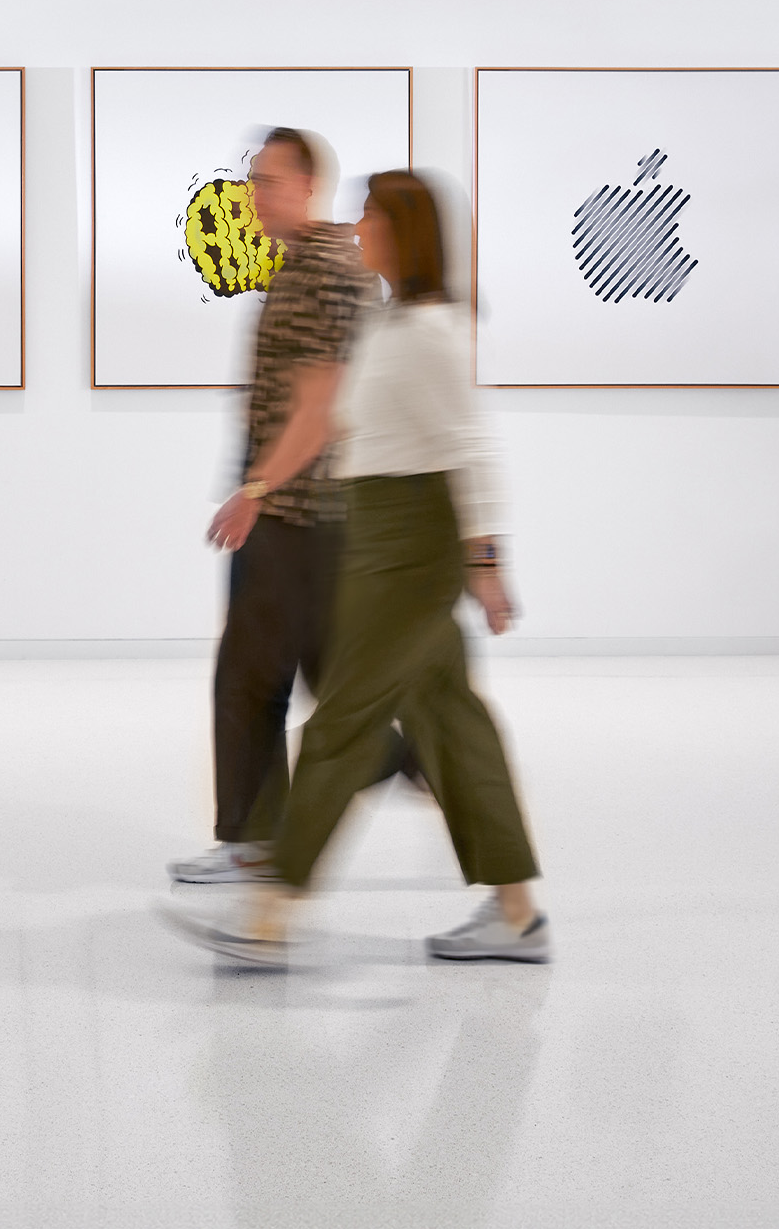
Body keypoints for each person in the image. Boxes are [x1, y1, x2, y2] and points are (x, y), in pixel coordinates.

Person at [168, 170, 547, 967]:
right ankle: (515, 912)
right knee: (453, 723)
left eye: (370, 213)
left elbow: (470, 448)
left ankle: (272, 916)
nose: (357, 222)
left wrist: (483, 561)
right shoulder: (389, 323)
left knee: (341, 724)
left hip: (412, 546)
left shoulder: (431, 332)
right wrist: (263, 483)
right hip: (379, 533)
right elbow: (338, 416)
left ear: (404, 231)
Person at [169, 128, 375, 885]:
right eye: (252, 180)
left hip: (299, 515)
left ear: (311, 186)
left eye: (271, 181)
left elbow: (319, 405)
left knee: (254, 681)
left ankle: (258, 840)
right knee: (289, 681)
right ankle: (415, 758)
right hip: (298, 511)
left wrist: (256, 491)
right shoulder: (297, 266)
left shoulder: (325, 269)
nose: (255, 195)